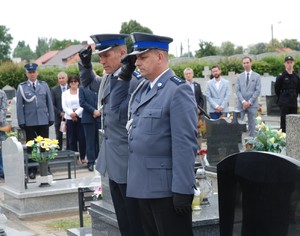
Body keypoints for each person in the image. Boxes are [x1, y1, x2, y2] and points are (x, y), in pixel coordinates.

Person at [115, 32, 198, 236]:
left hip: (166, 190)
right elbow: (117, 110)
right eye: (137, 58)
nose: (137, 63)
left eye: (143, 58)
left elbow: (185, 144)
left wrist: (183, 189)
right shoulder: (143, 88)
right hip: (142, 185)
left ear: (160, 57)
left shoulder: (178, 90)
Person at [78, 34, 144, 236]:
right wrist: (85, 64)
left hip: (128, 162)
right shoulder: (110, 78)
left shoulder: (132, 81)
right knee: (124, 220)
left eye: (106, 55)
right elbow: (89, 83)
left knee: (134, 222)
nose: (102, 61)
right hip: (113, 160)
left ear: (123, 53)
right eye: (100, 57)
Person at [16, 63, 55, 179]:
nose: (32, 74)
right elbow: (19, 106)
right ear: (26, 74)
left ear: (37, 72)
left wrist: (51, 117)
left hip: (43, 120)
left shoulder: (44, 85)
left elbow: (49, 103)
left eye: (34, 72)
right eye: (30, 72)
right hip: (30, 121)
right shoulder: (22, 87)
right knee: (32, 146)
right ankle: (32, 169)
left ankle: (45, 168)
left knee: (45, 145)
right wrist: (21, 121)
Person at [61, 75, 86, 164]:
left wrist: (76, 113)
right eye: (71, 82)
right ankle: (75, 158)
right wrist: (72, 114)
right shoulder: (65, 93)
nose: (73, 83)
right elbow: (64, 106)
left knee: (82, 138)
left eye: (75, 81)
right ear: (69, 84)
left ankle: (83, 157)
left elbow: (83, 104)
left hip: (81, 117)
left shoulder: (81, 91)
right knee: (72, 139)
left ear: (78, 82)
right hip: (70, 118)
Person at [235, 56, 261, 137]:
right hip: (241, 104)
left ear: (251, 63)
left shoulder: (257, 76)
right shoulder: (239, 77)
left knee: (252, 126)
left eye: (247, 62)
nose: (246, 64)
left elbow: (257, 91)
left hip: (252, 105)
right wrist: (243, 101)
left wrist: (249, 102)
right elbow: (237, 90)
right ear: (242, 65)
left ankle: (251, 145)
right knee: (237, 124)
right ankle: (237, 144)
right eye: (244, 63)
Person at [275, 56, 300, 132]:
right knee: (284, 121)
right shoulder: (281, 76)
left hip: (293, 102)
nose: (289, 64)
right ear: (284, 64)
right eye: (287, 62)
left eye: (291, 62)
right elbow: (277, 89)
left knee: (294, 120)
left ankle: (293, 138)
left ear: (293, 63)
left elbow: (298, 89)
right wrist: (282, 98)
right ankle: (283, 137)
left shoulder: (296, 76)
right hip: (284, 102)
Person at [183, 67, 204, 149]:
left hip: (197, 113)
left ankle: (198, 149)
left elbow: (201, 100)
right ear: (184, 76)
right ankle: (189, 148)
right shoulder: (182, 86)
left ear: (192, 74)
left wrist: (200, 110)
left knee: (198, 132)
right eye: (186, 74)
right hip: (186, 114)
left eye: (189, 73)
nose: (188, 75)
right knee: (188, 131)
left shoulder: (197, 85)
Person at [51, 71, 69, 150]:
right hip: (59, 117)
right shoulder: (54, 90)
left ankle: (70, 152)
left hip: (70, 116)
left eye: (63, 78)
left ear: (67, 78)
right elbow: (52, 104)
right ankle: (59, 154)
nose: (61, 80)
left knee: (70, 136)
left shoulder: (71, 88)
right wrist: (60, 113)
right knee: (59, 136)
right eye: (59, 78)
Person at [0, 89, 8, 179]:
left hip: (0, 125)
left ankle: (2, 172)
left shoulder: (1, 93)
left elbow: (4, 108)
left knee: (2, 149)